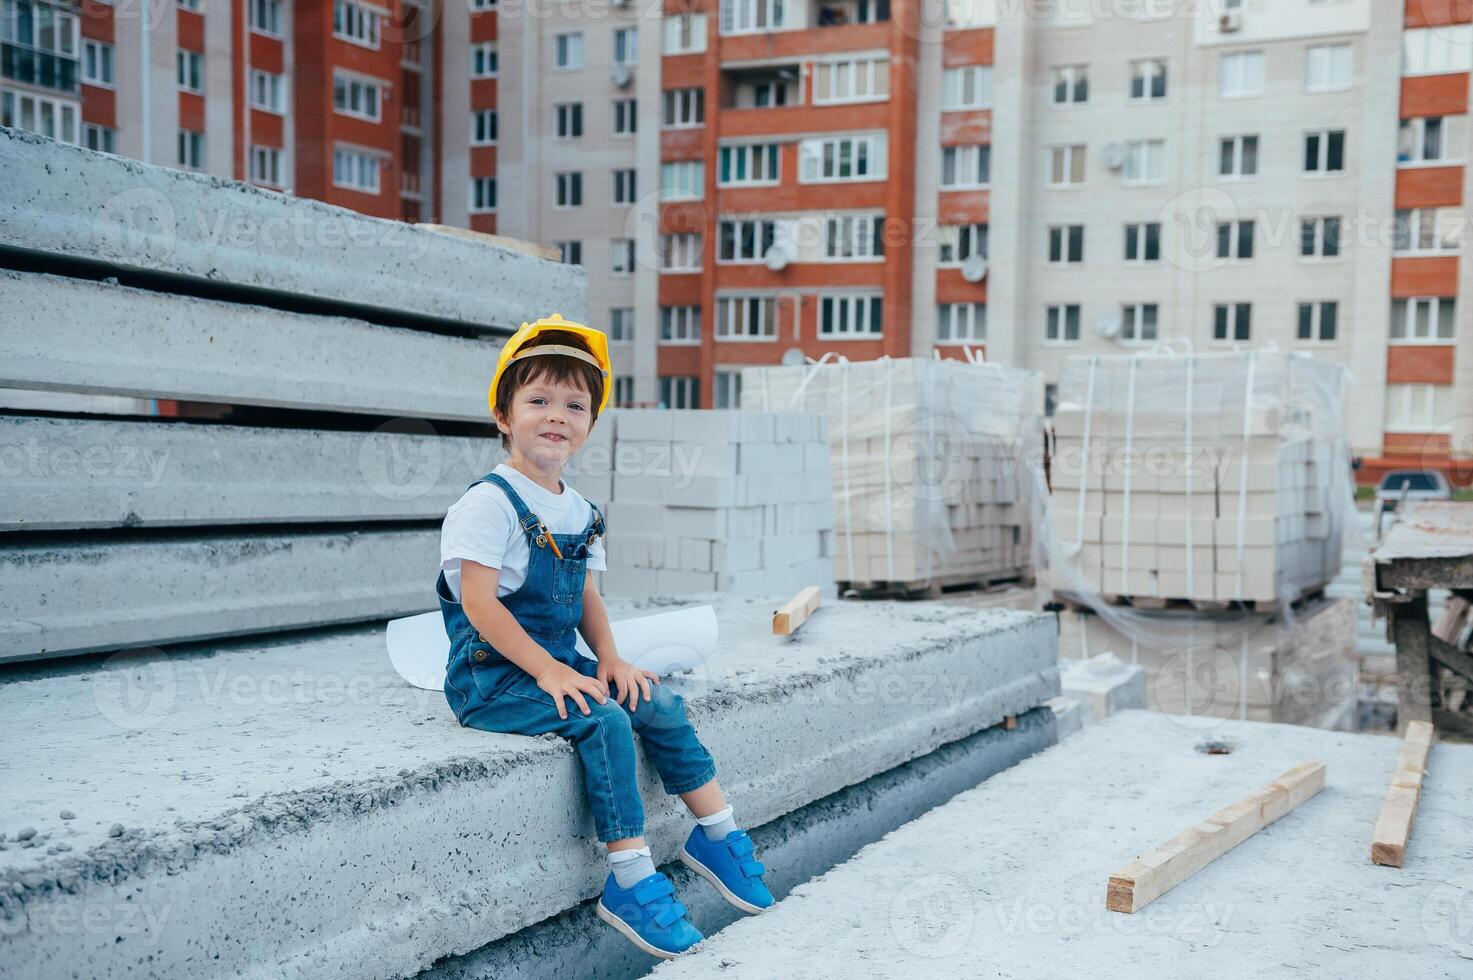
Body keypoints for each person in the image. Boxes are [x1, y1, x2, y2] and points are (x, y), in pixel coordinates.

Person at [434, 314, 773, 959]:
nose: (556, 414)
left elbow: (586, 596)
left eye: (574, 404)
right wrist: (551, 673)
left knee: (656, 703)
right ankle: (630, 880)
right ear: (503, 416)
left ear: (589, 425)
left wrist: (611, 660)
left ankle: (718, 835)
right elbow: (478, 604)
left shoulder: (582, 511)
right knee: (606, 722)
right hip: (493, 676)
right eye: (538, 400)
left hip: (562, 660)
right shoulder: (488, 503)